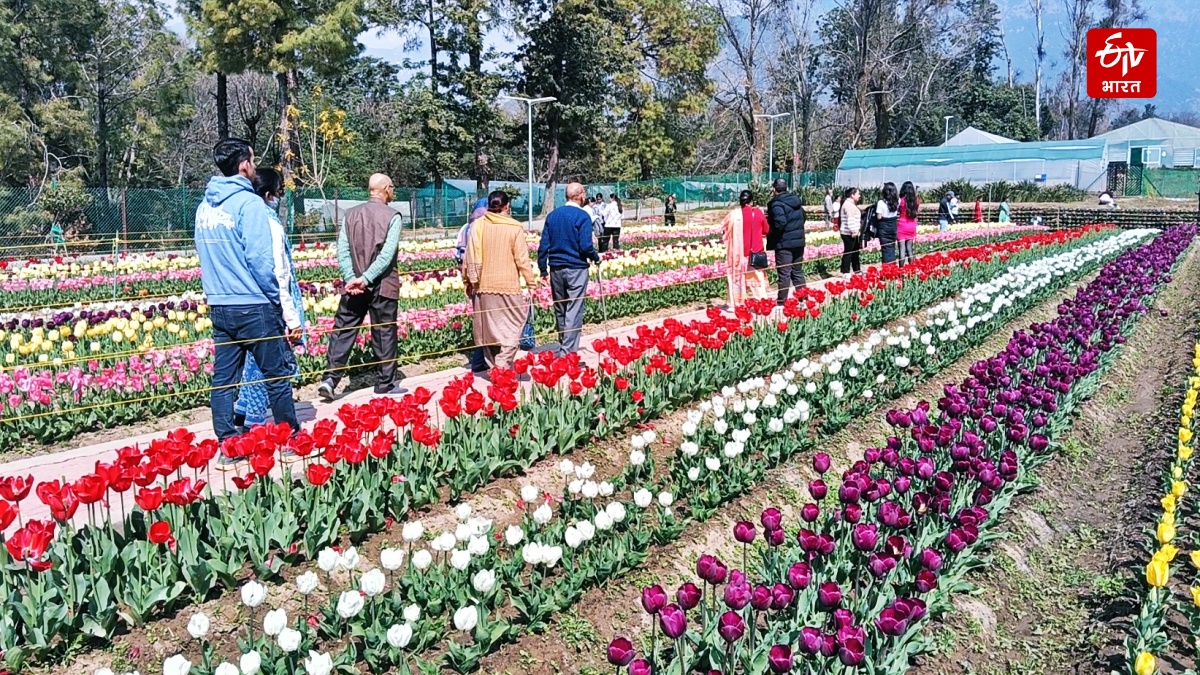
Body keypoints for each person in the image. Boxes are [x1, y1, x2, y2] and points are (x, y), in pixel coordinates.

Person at [194, 138, 299, 444]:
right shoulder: (249, 203)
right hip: (254, 304)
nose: (254, 167)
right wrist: (276, 303)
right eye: (253, 161)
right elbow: (260, 259)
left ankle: (227, 441)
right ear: (244, 165)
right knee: (276, 376)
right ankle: (291, 438)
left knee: (224, 379)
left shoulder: (204, 207)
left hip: (220, 304)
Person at [317, 173, 404, 401]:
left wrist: (351, 277)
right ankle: (385, 384)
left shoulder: (350, 214)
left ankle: (330, 378)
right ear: (385, 188)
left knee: (343, 329)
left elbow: (342, 250)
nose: (393, 190)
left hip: (353, 285)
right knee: (384, 331)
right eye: (392, 187)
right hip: (383, 285)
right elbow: (387, 255)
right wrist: (366, 279)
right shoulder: (393, 216)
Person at [232, 168, 305, 433]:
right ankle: (264, 423)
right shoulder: (268, 222)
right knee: (272, 367)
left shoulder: (239, 216)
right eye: (277, 193)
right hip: (268, 304)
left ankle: (243, 412)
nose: (278, 198)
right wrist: (291, 316)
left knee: (252, 363)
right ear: (267, 194)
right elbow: (277, 272)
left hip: (242, 302)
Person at [464, 191, 538, 370]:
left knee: (489, 332)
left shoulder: (478, 225)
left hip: (483, 286)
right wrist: (531, 283)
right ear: (507, 206)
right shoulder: (514, 227)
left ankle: (495, 367)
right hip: (508, 287)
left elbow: (468, 255)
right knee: (514, 327)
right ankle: (502, 364)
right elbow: (522, 259)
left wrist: (468, 281)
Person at [538, 182, 601, 356]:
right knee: (574, 308)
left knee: (560, 307)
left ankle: (563, 345)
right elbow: (586, 246)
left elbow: (544, 245)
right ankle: (568, 353)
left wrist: (543, 268)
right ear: (580, 195)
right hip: (576, 268)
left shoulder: (552, 216)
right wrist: (595, 257)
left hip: (556, 268)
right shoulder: (582, 216)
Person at [455, 197, 491, 374]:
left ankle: (479, 357)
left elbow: (458, 255)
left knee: (479, 318)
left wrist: (466, 278)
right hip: (487, 278)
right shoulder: (487, 226)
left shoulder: (465, 227)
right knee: (490, 319)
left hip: (471, 278)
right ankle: (481, 359)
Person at [721, 190, 769, 306]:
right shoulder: (758, 213)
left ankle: (737, 303)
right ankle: (762, 302)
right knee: (757, 279)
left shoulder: (733, 215)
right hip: (755, 252)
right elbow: (766, 230)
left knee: (737, 278)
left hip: (737, 255)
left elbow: (724, 230)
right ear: (751, 201)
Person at [765, 178, 806, 306]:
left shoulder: (777, 204)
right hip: (799, 241)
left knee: (784, 273)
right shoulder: (796, 201)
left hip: (784, 243)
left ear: (774, 189)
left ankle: (782, 302)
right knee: (797, 271)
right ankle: (803, 299)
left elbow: (780, 223)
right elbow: (803, 216)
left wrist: (772, 234)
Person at [874, 182, 901, 265]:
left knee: (885, 248)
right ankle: (892, 267)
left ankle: (886, 268)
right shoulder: (898, 201)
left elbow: (879, 217)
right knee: (892, 247)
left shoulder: (881, 203)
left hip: (884, 227)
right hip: (893, 226)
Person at [839, 187, 863, 276]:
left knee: (855, 251)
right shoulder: (848, 205)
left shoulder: (851, 204)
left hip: (851, 233)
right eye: (858, 194)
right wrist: (854, 231)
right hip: (848, 233)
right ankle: (845, 272)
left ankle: (857, 270)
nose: (859, 196)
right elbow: (850, 219)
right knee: (848, 252)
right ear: (852, 195)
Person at [897, 181, 919, 267]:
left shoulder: (901, 201)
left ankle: (901, 269)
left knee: (902, 249)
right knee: (910, 248)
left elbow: (898, 211)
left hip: (902, 225)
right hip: (912, 225)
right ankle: (911, 268)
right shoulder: (916, 201)